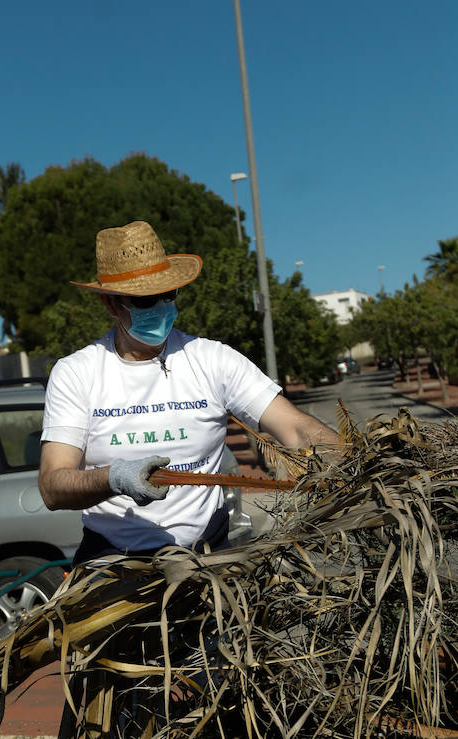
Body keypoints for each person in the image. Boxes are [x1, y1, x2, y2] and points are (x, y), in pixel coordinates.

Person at [39, 220, 339, 563]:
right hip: (113, 563)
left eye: (169, 294)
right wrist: (114, 478)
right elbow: (53, 485)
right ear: (110, 304)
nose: (163, 306)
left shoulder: (212, 359)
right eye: (147, 299)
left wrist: (356, 458)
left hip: (208, 561)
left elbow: (296, 427)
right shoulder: (77, 373)